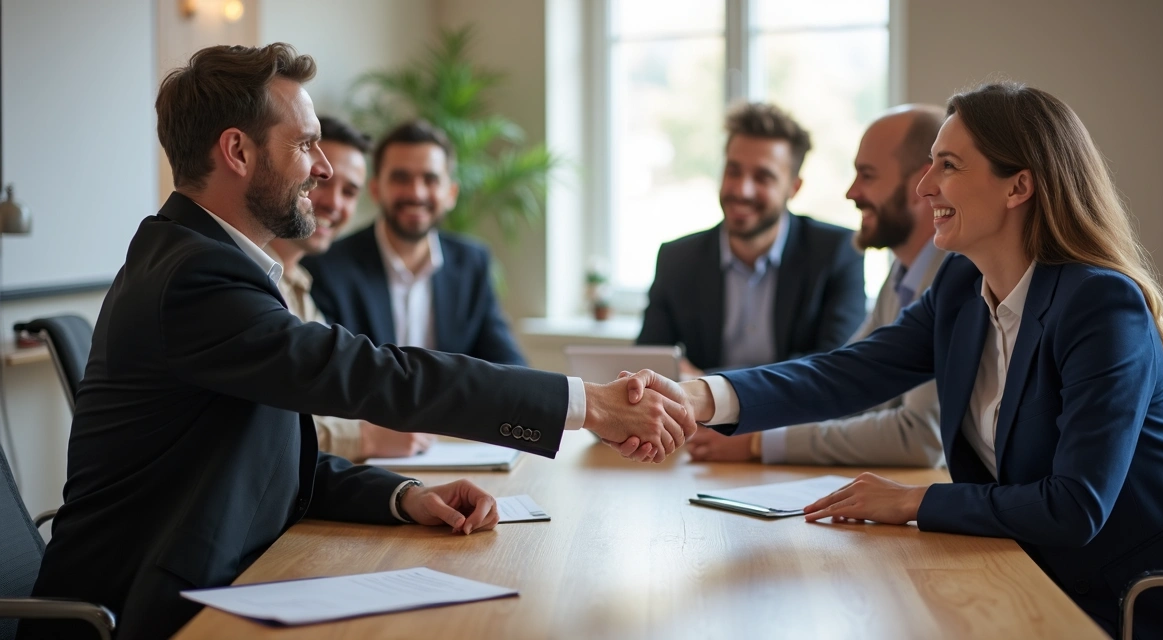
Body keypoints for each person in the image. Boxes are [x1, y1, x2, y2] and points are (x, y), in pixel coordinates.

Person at [23, 43, 691, 639]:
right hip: (147, 613)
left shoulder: (203, 259)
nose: (322, 169)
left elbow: (272, 456)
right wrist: (585, 404)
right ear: (237, 151)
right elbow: (376, 375)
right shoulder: (195, 278)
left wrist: (402, 496)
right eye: (305, 144)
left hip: (218, 580)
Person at [623, 82, 1163, 639]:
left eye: (949, 166)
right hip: (1031, 574)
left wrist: (912, 501)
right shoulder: (961, 287)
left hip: (1141, 601)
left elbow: (1074, 506)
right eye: (930, 163)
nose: (925, 185)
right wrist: (700, 399)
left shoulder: (1100, 305)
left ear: (1018, 187)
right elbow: (847, 372)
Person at [689, 105, 947, 467]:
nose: (851, 193)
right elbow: (837, 380)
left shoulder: (950, 282)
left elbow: (920, 437)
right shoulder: (902, 276)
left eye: (867, 175)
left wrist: (760, 442)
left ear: (924, 183)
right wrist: (711, 399)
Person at [636, 102, 866, 376]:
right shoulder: (677, 258)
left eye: (762, 177)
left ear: (794, 188)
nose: (742, 190)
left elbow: (835, 368)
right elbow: (649, 362)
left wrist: (711, 385)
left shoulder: (837, 252)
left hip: (796, 419)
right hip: (698, 419)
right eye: (733, 171)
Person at [265, 115, 435, 462]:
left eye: (350, 191)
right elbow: (269, 425)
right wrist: (365, 438)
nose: (334, 203)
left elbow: (327, 396)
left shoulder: (299, 284)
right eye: (321, 180)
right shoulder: (256, 278)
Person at [303, 120, 526, 366]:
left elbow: (506, 363)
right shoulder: (326, 265)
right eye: (401, 178)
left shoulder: (472, 263)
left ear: (451, 193)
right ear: (376, 190)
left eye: (430, 179)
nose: (416, 193)